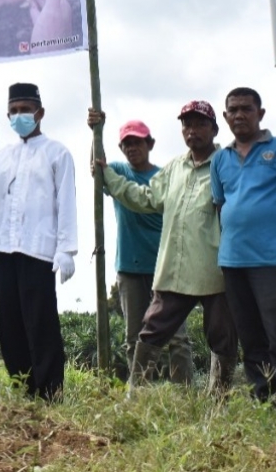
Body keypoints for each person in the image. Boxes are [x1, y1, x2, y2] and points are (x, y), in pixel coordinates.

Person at [96, 101, 238, 394]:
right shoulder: (175, 167)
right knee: (151, 330)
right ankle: (136, 395)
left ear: (214, 128)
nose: (192, 131)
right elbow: (146, 197)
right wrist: (108, 176)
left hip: (216, 268)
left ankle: (217, 399)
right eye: (187, 125)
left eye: (200, 124)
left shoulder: (228, 162)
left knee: (221, 336)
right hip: (176, 267)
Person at [210, 87, 276, 411]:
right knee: (251, 339)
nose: (239, 115)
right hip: (233, 262)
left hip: (272, 261)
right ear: (226, 117)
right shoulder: (220, 160)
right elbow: (220, 205)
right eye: (233, 110)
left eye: (246, 108)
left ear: (261, 113)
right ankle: (265, 405)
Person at [0, 82, 77, 400]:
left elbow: (66, 202)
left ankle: (50, 390)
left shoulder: (57, 153)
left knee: (41, 322)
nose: (20, 116)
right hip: (5, 250)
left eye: (25, 110)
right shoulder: (3, 156)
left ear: (39, 113)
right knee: (10, 325)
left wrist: (67, 249)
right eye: (14, 111)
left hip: (39, 250)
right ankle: (24, 387)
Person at [86, 110, 193, 385]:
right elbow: (96, 168)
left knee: (177, 338)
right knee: (135, 336)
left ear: (150, 144)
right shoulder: (118, 172)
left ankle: (184, 394)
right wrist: (96, 131)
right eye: (127, 144)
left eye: (138, 142)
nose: (132, 148)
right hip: (130, 268)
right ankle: (140, 393)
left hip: (166, 268)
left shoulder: (164, 177)